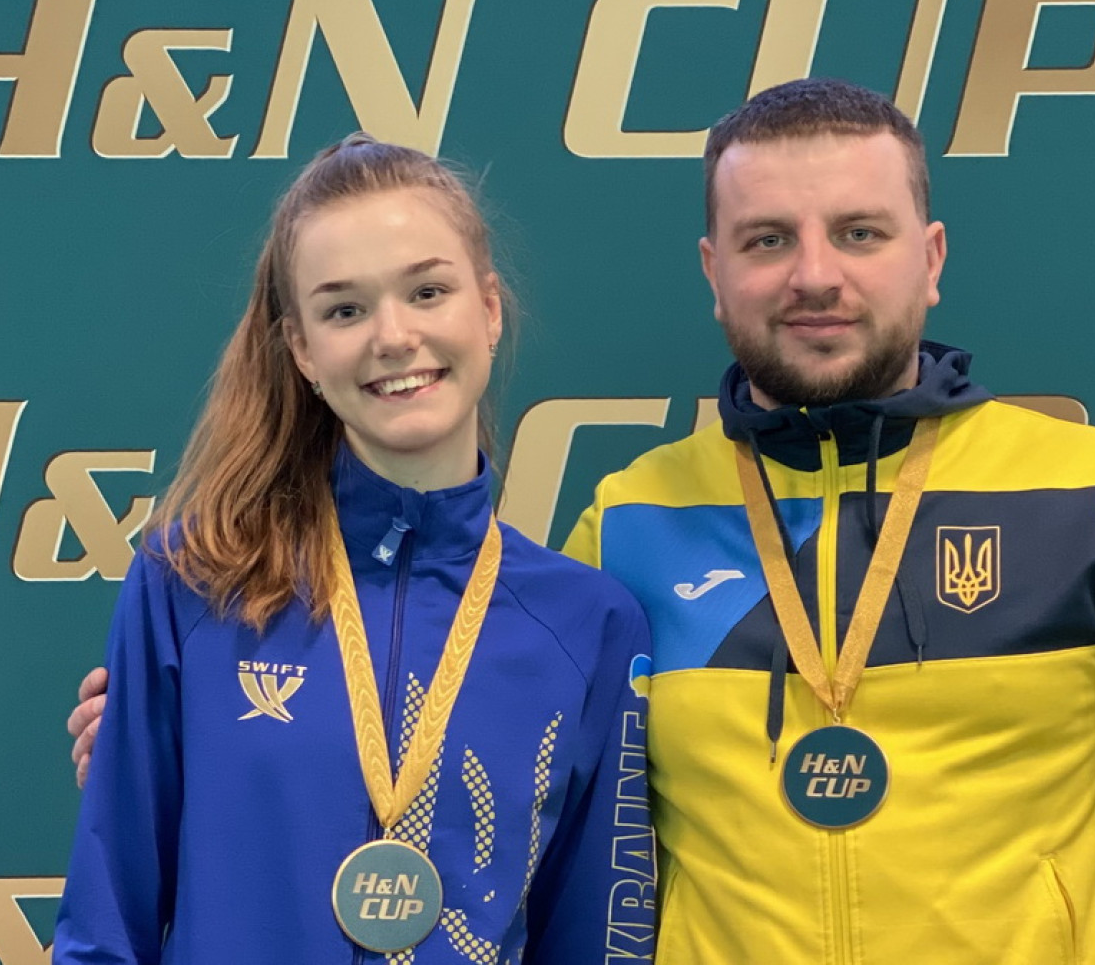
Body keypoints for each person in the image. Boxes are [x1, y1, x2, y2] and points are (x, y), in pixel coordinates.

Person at [71, 81, 1095, 964]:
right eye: (767, 239)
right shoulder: (628, 529)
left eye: (859, 233)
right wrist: (187, 736)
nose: (814, 274)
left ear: (929, 256)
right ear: (713, 271)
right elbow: (497, 783)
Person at [55, 134, 654, 964]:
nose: (393, 336)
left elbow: (593, 938)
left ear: (488, 308)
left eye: (427, 291)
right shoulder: (193, 582)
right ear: (302, 349)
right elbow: (104, 929)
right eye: (344, 310)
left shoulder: (587, 625)